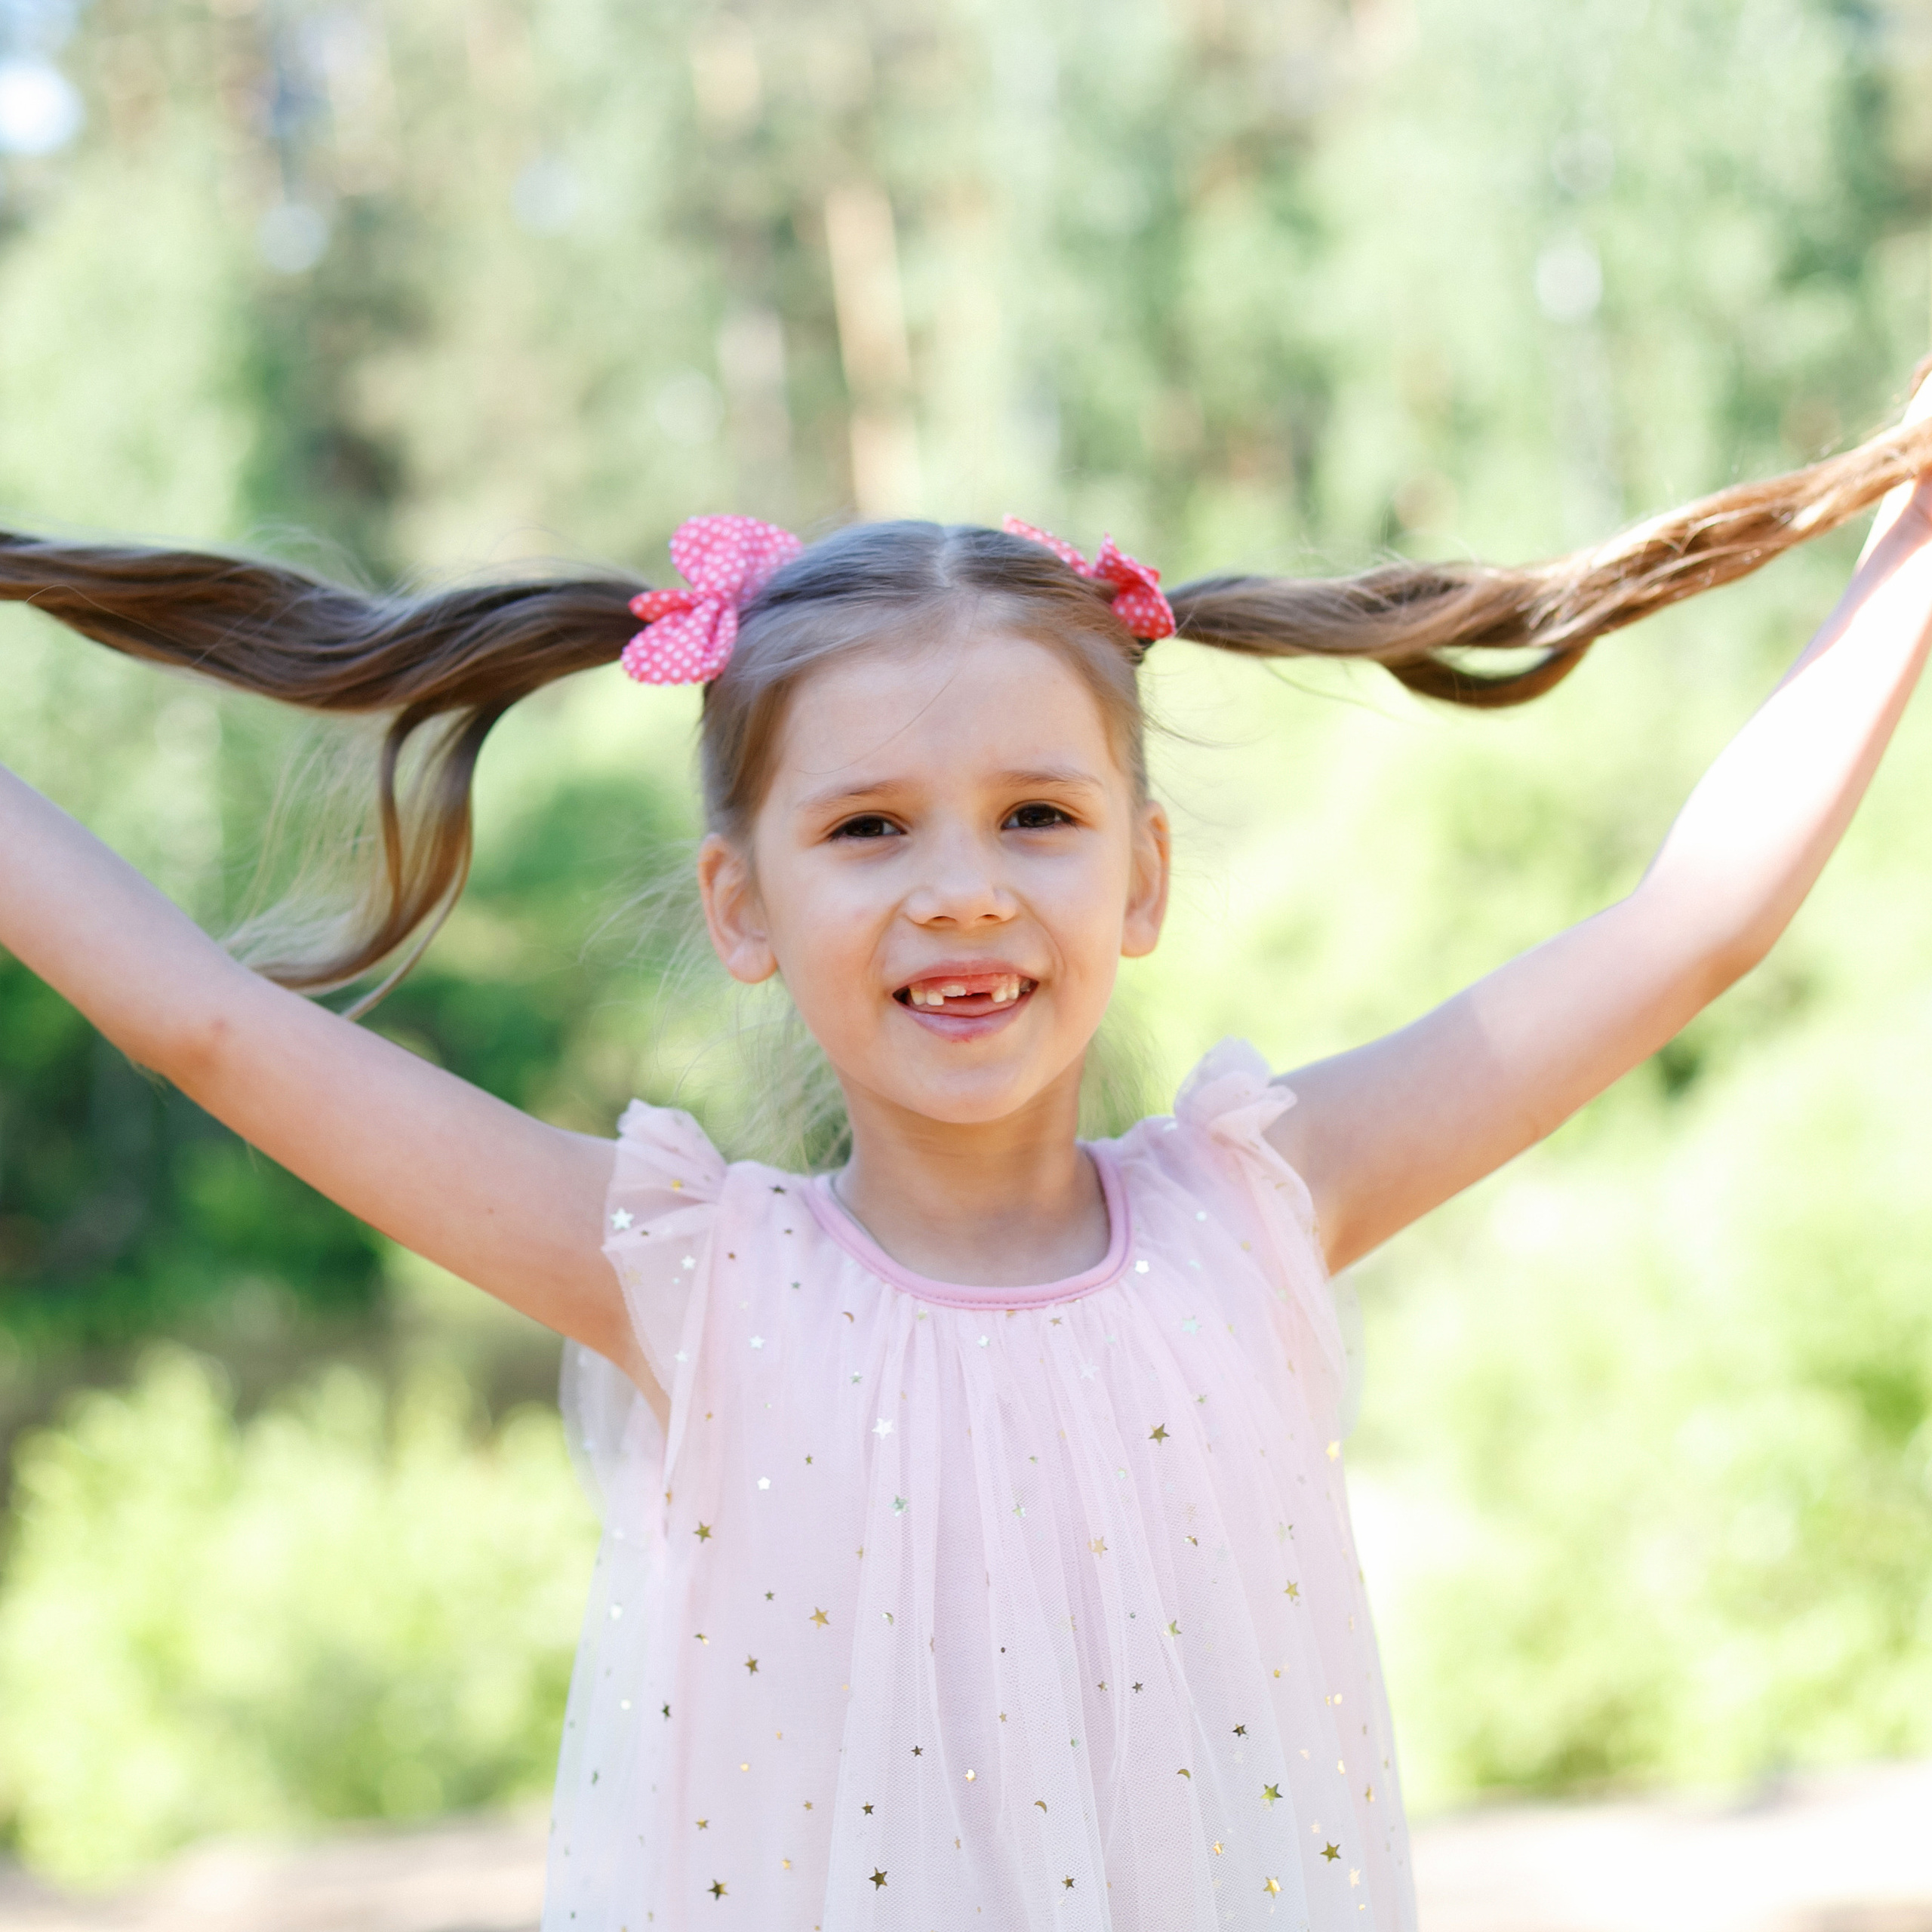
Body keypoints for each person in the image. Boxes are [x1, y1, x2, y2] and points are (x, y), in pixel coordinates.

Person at [3, 371, 1930, 1930]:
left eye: (1033, 815)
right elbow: (212, 1023)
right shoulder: (688, 1272)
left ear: (1141, 869)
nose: (961, 892)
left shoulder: (1263, 1203)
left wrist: (1900, 565)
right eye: (866, 830)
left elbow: (1683, 927)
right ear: (737, 901)